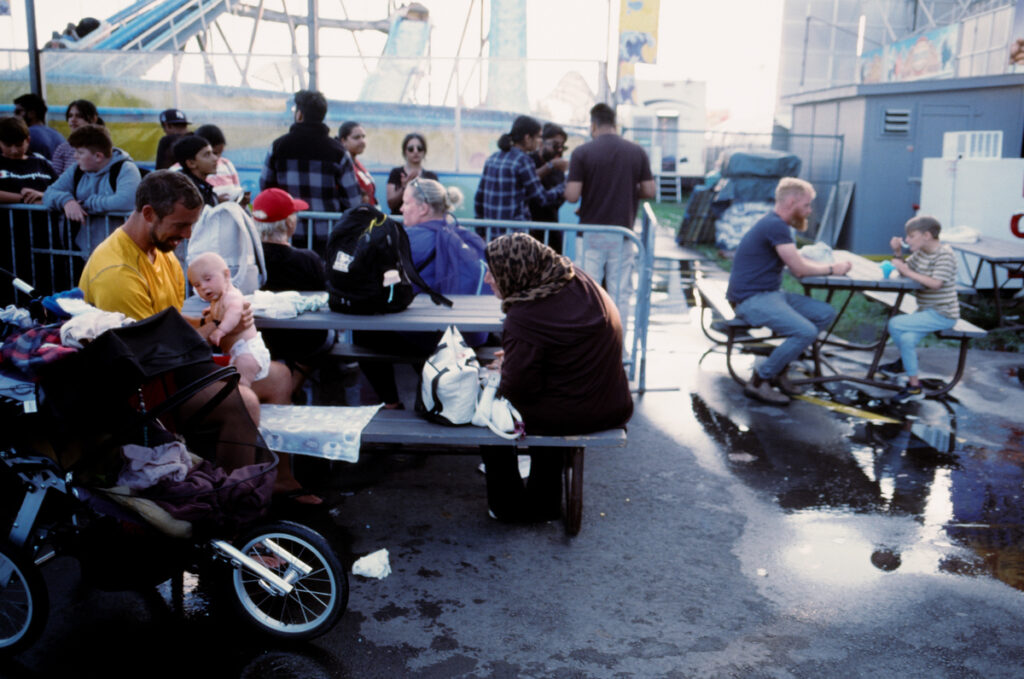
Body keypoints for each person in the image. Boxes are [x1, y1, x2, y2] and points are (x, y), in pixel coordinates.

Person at [78, 171, 319, 505]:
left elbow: (172, 322)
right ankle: (230, 510)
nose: (188, 235)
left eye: (192, 225)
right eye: (180, 225)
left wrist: (219, 321)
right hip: (137, 392)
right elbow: (146, 355)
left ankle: (279, 478)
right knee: (243, 402)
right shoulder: (117, 273)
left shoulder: (161, 252)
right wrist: (211, 331)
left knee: (278, 374)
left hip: (165, 367)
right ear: (149, 214)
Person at [480, 233, 633, 522]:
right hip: (612, 401)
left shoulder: (525, 316)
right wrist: (518, 356)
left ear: (517, 272)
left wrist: (505, 369)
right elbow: (563, 350)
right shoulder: (576, 279)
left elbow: (517, 389)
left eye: (494, 271)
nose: (488, 279)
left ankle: (508, 506)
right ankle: (544, 501)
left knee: (492, 415)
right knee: (549, 403)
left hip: (577, 411)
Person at [355, 178, 488, 408]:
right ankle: (432, 395)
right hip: (470, 336)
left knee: (363, 334)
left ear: (423, 208)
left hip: (427, 338)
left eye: (406, 203)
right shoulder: (470, 240)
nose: (401, 209)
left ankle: (391, 403)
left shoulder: (407, 240)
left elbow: (370, 281)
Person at [725, 177, 852, 406]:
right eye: (806, 205)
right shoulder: (775, 225)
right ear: (791, 201)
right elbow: (800, 270)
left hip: (769, 294)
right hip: (750, 299)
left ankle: (779, 370)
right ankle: (758, 381)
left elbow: (796, 262)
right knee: (805, 331)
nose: (809, 211)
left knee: (824, 312)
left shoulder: (777, 225)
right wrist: (835, 269)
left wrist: (813, 263)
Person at [564, 103, 656, 325]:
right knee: (619, 294)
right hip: (622, 234)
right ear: (615, 124)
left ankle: (588, 348)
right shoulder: (636, 152)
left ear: (593, 125)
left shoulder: (582, 152)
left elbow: (572, 195)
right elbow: (650, 191)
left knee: (588, 292)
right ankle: (619, 350)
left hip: (590, 235)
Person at [252, 187, 332, 397]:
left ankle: (283, 387)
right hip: (304, 341)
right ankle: (292, 386)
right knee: (327, 338)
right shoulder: (308, 260)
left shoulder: (248, 262)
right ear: (289, 223)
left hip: (260, 337)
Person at [260, 90, 359, 253]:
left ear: (299, 114)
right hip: (326, 236)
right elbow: (352, 201)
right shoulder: (338, 152)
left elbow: (266, 189)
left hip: (286, 234)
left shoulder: (278, 147)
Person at [878, 215, 960, 403]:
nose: (907, 240)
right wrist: (898, 253)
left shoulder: (944, 255)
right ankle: (915, 387)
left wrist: (905, 270)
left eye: (911, 236)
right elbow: (906, 269)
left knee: (895, 323)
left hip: (943, 313)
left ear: (927, 235)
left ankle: (904, 365)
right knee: (907, 339)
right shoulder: (922, 252)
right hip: (927, 311)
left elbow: (935, 283)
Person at [42, 123, 141, 252]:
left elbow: (126, 201)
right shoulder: (77, 170)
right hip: (83, 251)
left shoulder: (126, 169)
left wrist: (86, 204)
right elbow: (49, 193)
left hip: (120, 251)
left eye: (80, 152)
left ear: (98, 156)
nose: (75, 156)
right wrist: (67, 201)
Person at [187, 251, 271, 388]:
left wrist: (220, 330)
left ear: (226, 275)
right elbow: (222, 311)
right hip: (237, 352)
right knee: (235, 381)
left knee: (240, 384)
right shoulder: (218, 297)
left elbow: (234, 312)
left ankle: (243, 405)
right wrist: (211, 311)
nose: (203, 287)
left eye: (208, 279)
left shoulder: (232, 296)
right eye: (197, 285)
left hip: (248, 350)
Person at [0, 116, 58, 302]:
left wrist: (42, 197)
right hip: (9, 244)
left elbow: (61, 188)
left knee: (46, 287)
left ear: (28, 140)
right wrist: (22, 199)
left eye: (19, 144)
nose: (14, 150)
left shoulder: (41, 163)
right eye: (8, 145)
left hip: (46, 240)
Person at [473, 115, 565, 223]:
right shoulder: (523, 161)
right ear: (527, 138)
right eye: (538, 137)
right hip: (514, 235)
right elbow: (542, 198)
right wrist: (564, 186)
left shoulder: (493, 158)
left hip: (491, 233)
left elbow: (479, 199)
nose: (540, 141)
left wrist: (481, 231)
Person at [528, 123, 569, 250]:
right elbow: (528, 185)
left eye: (563, 147)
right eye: (555, 145)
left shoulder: (558, 169)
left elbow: (558, 200)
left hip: (552, 230)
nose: (559, 150)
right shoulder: (528, 161)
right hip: (530, 230)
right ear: (541, 143)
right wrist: (549, 166)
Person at [386, 132, 438, 214]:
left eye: (419, 148)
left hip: (423, 223)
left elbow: (436, 205)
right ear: (405, 152)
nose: (415, 151)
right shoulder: (396, 173)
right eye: (411, 149)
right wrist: (404, 187)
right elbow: (391, 204)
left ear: (424, 151)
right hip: (400, 221)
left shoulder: (431, 177)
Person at [51, 99, 101, 175]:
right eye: (70, 116)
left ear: (94, 119)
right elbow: (55, 179)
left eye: (79, 116)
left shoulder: (101, 147)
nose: (73, 120)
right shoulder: (62, 149)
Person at [13, 93, 64, 161]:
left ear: (32, 113)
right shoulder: (57, 135)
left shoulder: (27, 135)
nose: (14, 115)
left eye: (18, 111)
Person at [172, 134, 218, 207]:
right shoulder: (186, 194)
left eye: (213, 153)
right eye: (207, 155)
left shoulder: (204, 188)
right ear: (191, 163)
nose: (215, 158)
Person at [339, 121, 376, 206]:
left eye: (363, 137)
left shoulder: (357, 163)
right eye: (356, 138)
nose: (362, 141)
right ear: (343, 141)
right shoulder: (343, 166)